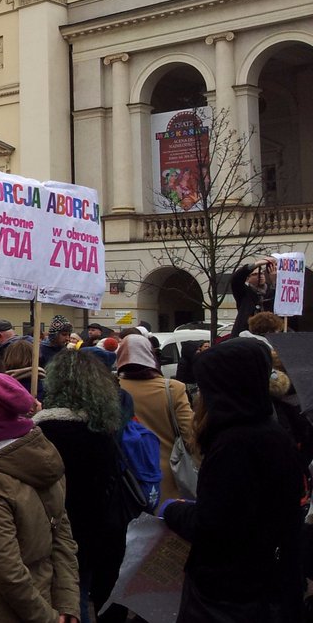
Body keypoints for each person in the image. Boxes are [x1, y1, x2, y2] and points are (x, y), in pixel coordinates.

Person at [162, 338, 305, 620]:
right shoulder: (271, 433)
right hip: (268, 583)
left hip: (228, 594)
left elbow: (214, 526)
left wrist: (173, 510)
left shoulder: (233, 443)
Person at [0, 372, 81, 623]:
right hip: (43, 595)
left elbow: (6, 567)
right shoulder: (43, 455)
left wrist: (48, 618)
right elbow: (63, 540)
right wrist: (67, 605)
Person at [34, 351, 126, 623]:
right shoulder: (100, 433)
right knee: (81, 594)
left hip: (48, 530)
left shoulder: (37, 432)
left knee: (63, 599)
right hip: (94, 532)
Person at [115, 333, 195, 502]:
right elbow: (189, 434)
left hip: (125, 473)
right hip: (165, 474)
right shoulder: (173, 388)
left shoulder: (110, 388)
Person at [229, 256, 276, 337]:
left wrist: (274, 281)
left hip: (268, 335)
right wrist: (258, 263)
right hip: (246, 335)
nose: (260, 276)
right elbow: (237, 278)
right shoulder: (244, 292)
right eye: (254, 274)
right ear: (247, 279)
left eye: (261, 273)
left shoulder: (271, 290)